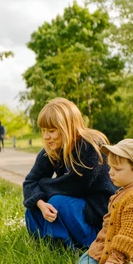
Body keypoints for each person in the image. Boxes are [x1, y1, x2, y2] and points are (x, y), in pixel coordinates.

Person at [23, 98, 116, 249]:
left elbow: (74, 186)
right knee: (33, 207)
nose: (46, 136)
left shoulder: (90, 146)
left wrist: (41, 185)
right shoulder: (51, 150)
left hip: (97, 220)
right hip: (77, 209)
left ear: (68, 127)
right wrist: (40, 203)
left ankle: (69, 247)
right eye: (43, 131)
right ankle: (46, 245)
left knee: (58, 202)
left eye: (51, 131)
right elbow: (29, 183)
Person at [77, 138, 133, 264]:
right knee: (82, 263)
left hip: (115, 256)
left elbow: (128, 235)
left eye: (117, 169)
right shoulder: (125, 190)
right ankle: (129, 262)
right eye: (110, 167)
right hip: (106, 246)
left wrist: (115, 258)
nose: (110, 172)